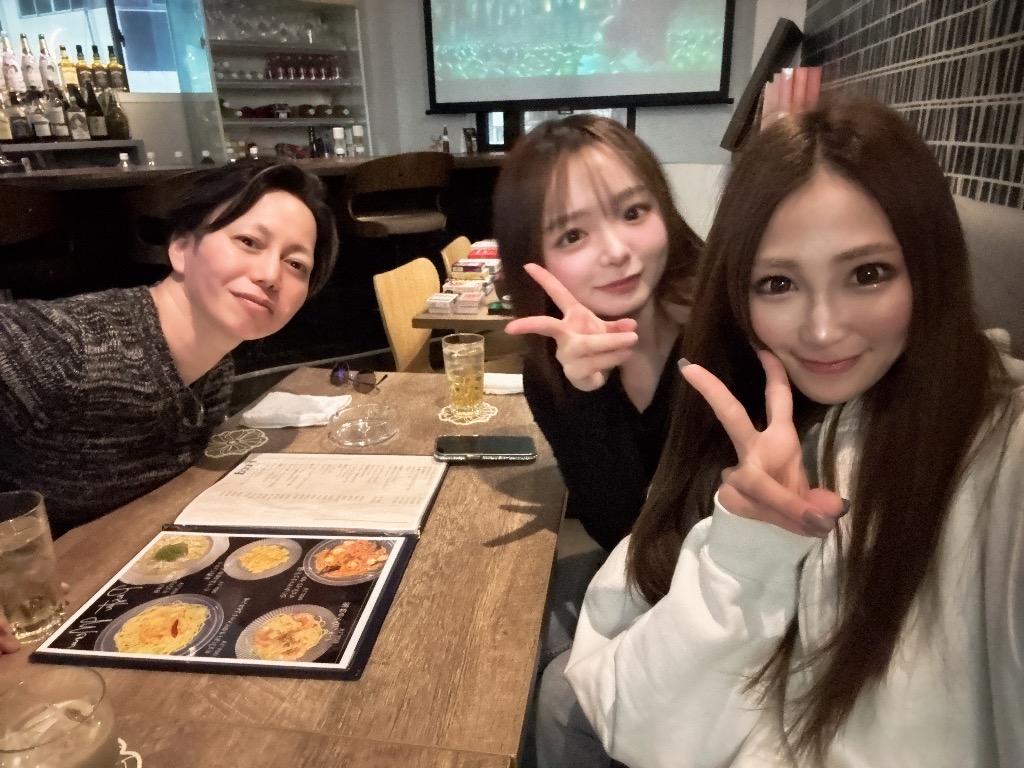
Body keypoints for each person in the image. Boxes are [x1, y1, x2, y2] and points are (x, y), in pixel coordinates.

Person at [563, 97, 1024, 767]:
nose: (823, 330)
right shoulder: (734, 398)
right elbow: (637, 713)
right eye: (778, 283)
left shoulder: (1001, 451)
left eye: (868, 274)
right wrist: (745, 547)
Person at [492, 113, 702, 767]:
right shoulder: (551, 369)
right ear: (534, 257)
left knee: (561, 693)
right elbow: (616, 526)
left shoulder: (726, 332)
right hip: (645, 566)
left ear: (664, 211)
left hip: (724, 586)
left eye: (633, 212)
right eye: (573, 234)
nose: (615, 250)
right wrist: (588, 393)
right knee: (509, 626)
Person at [0, 162, 339, 543]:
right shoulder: (70, 347)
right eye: (248, 242)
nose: (270, 275)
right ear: (180, 248)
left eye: (296, 264)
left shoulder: (214, 371)